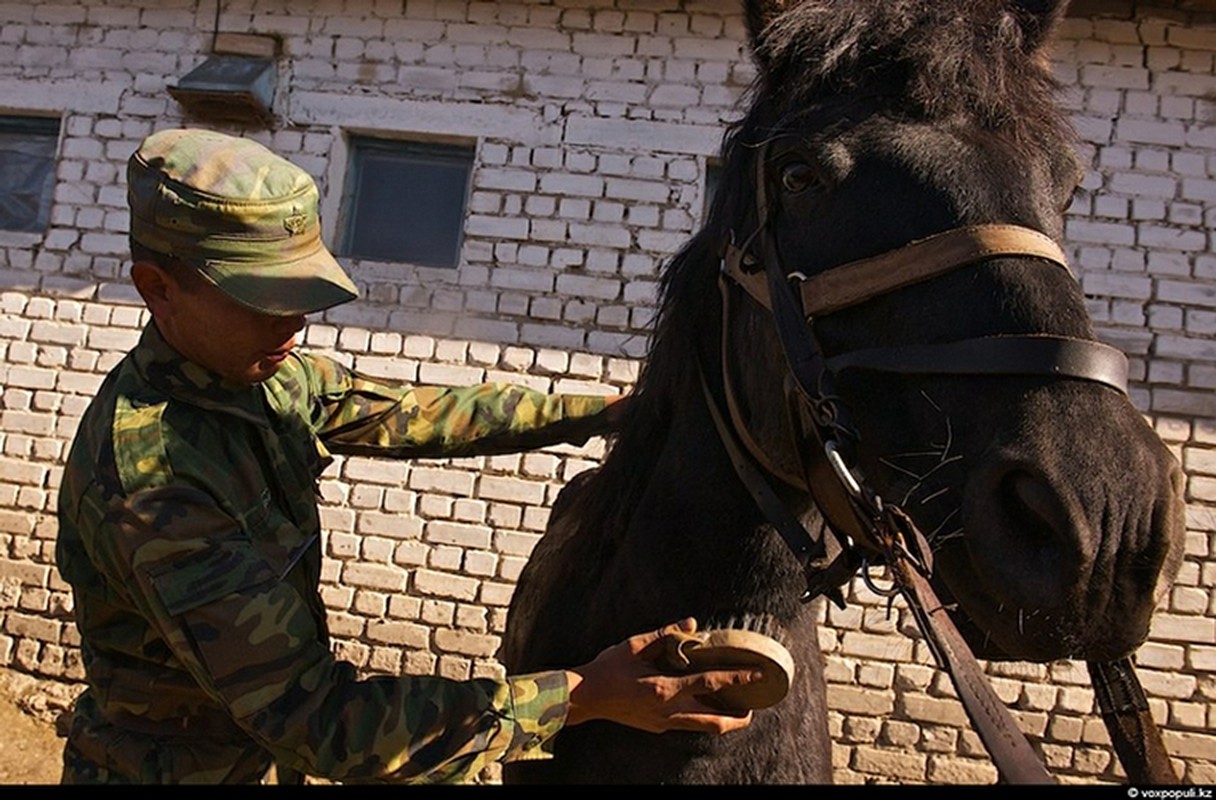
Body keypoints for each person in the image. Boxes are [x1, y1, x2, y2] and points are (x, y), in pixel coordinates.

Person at [54, 128, 756, 784]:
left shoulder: (259, 378)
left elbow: (419, 415)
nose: (294, 326)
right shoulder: (156, 484)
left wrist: (606, 413)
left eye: (300, 295)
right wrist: (583, 694)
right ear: (158, 289)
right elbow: (321, 721)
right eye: (263, 299)